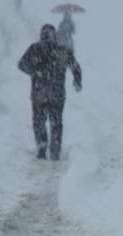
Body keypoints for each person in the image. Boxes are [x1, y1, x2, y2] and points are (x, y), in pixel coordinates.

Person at [18, 24, 82, 160]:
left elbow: (21, 65)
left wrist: (34, 72)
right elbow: (75, 66)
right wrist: (77, 81)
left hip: (38, 93)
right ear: (55, 35)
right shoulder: (62, 50)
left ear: (41, 34)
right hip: (57, 94)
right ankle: (55, 150)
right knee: (56, 123)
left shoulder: (34, 49)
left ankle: (42, 147)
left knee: (38, 121)